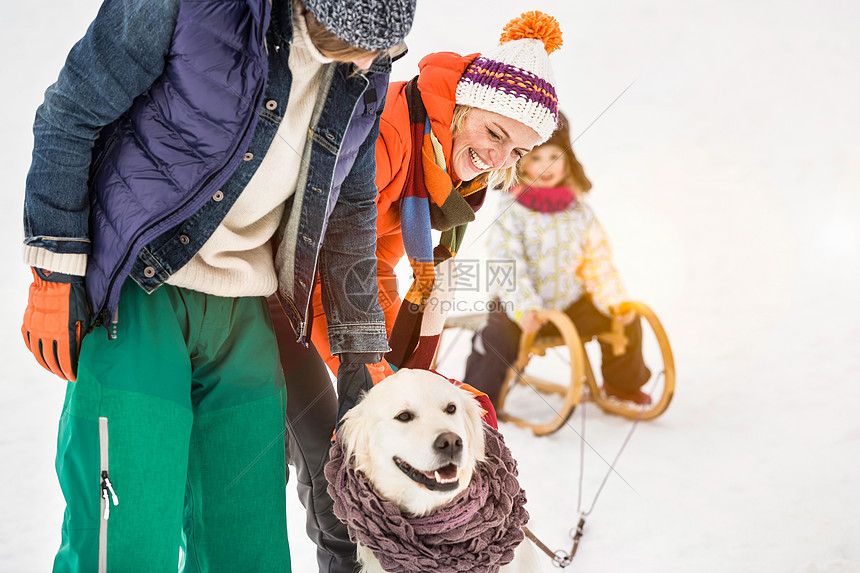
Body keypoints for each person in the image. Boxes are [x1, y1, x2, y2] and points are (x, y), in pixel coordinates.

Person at [20, 0, 415, 570]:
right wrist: (53, 273)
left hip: (245, 312)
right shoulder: (192, 9)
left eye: (386, 49)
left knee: (247, 547)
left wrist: (362, 348)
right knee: (127, 539)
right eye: (357, 44)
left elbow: (350, 206)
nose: (371, 62)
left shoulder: (367, 68)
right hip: (141, 291)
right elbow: (69, 114)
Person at [272, 11, 564, 573]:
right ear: (462, 107)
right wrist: (367, 360)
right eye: (495, 133)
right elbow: (320, 248)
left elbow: (374, 257)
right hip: (272, 290)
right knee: (335, 467)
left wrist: (382, 362)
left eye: (518, 152)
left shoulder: (440, 164)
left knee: (331, 458)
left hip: (316, 296)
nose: (500, 160)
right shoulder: (389, 135)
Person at [462, 112, 653, 406]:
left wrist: (613, 301)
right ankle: (478, 400)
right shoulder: (511, 212)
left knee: (628, 319)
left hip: (568, 305)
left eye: (555, 156)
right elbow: (506, 264)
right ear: (521, 161)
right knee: (496, 341)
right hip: (519, 308)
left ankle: (622, 384)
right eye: (537, 158)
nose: (546, 166)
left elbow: (597, 263)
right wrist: (525, 309)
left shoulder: (579, 213)